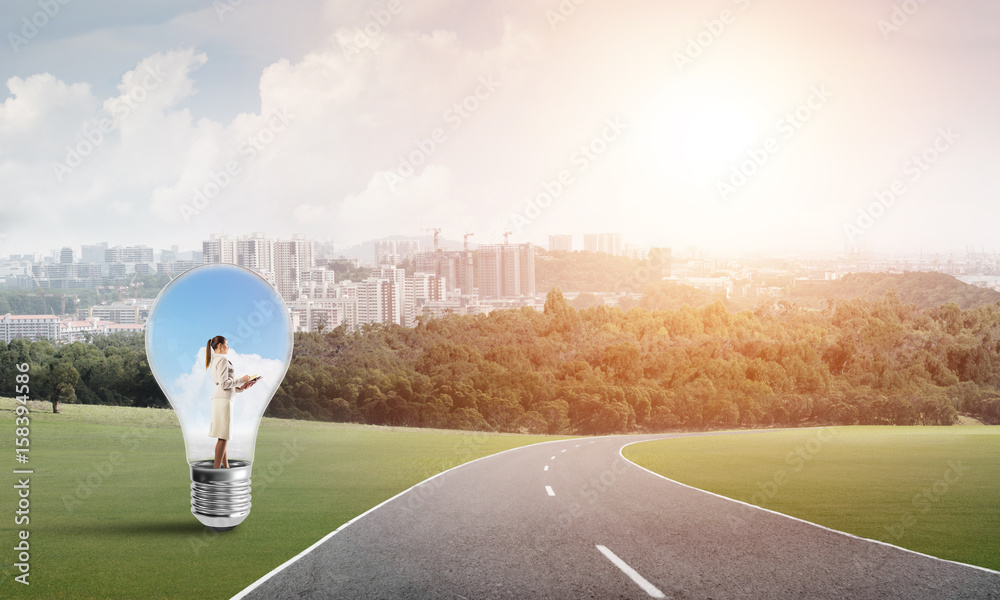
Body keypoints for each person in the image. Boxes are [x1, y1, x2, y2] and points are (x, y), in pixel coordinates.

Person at [205, 335, 256, 468]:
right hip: (223, 400)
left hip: (221, 398)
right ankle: (216, 470)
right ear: (220, 345)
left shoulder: (214, 361)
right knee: (223, 436)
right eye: (226, 344)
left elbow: (225, 385)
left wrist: (242, 388)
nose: (228, 347)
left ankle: (226, 466)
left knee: (223, 435)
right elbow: (224, 384)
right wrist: (242, 380)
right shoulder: (221, 360)